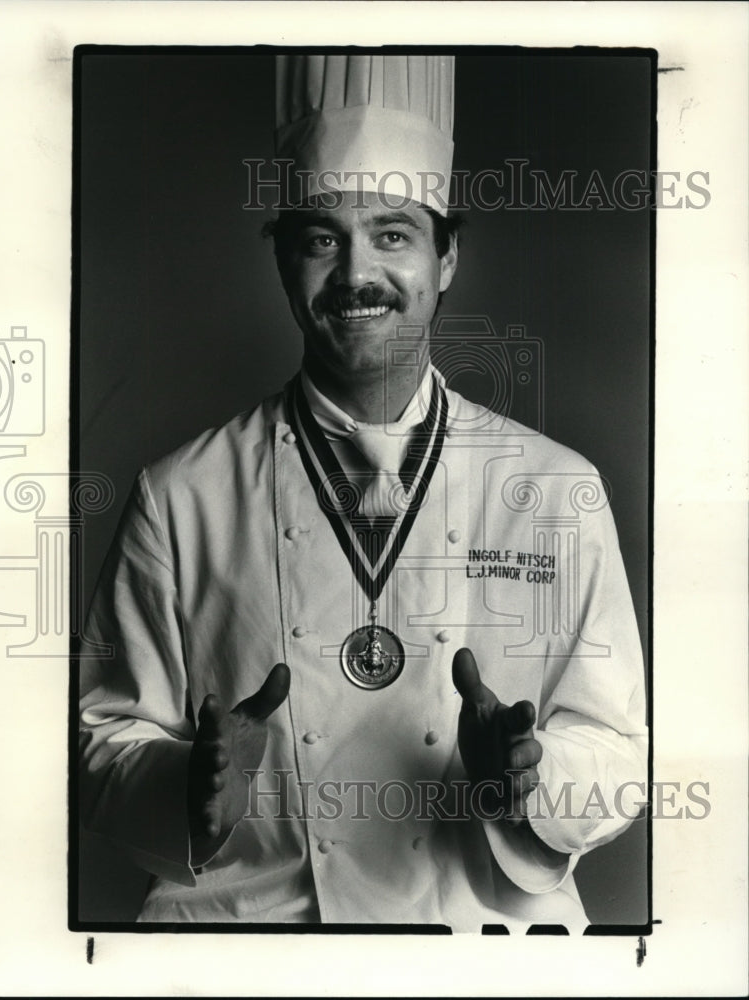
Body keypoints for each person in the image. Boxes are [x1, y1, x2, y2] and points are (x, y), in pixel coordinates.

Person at [79, 54, 647, 929]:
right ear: (281, 262)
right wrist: (186, 788)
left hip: (484, 953)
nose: (354, 276)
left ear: (447, 256)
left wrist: (533, 777)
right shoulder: (179, 495)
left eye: (392, 234)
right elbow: (104, 737)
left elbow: (618, 750)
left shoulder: (557, 488)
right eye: (320, 239)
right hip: (247, 947)